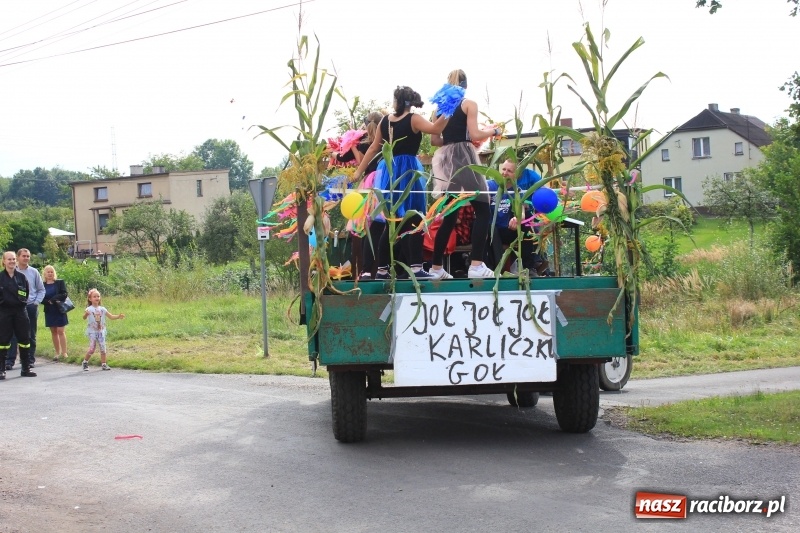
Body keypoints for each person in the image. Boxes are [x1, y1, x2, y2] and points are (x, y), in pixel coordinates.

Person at [351, 86, 448, 279]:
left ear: (397, 101)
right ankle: (415, 267)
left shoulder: (385, 121)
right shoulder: (413, 118)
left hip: (389, 170)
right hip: (408, 172)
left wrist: (358, 172)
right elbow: (436, 129)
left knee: (391, 220)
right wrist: (449, 109)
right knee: (414, 218)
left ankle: (382, 269)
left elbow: (372, 149)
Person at [428, 69, 499, 279]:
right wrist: (493, 131)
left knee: (450, 213)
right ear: (466, 84)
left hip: (447, 159)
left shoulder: (439, 109)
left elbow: (434, 141)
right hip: (465, 158)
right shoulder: (469, 104)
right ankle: (476, 264)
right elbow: (476, 134)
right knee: (483, 208)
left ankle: (436, 268)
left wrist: (451, 142)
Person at [337, 111, 387, 279]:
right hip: (384, 184)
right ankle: (382, 267)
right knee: (381, 227)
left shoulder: (365, 144)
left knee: (368, 226)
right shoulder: (385, 142)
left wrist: (351, 143)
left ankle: (366, 269)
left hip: (369, 185)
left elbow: (359, 162)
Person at [485, 162, 549, 276]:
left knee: (528, 223)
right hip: (493, 230)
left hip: (511, 229)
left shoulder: (518, 190)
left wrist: (518, 218)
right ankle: (494, 269)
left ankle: (528, 268)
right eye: (503, 169)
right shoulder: (489, 186)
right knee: (488, 227)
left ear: (516, 175)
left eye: (509, 171)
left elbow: (522, 210)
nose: (505, 173)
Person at [6, 248, 45, 370]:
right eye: (24, 256)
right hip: (14, 308)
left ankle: (29, 360)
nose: (26, 258)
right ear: (18, 257)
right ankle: (10, 360)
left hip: (30, 306)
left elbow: (41, 289)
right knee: (12, 334)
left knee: (30, 334)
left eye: (28, 256)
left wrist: (36, 302)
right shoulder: (11, 271)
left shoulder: (34, 272)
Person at [0, 251, 36, 379]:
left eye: (13, 259)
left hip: (20, 311)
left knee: (25, 340)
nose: (11, 261)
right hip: (4, 312)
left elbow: (25, 294)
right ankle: (1, 369)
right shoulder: (0, 277)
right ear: (4, 261)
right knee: (3, 341)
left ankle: (25, 368)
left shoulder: (21, 277)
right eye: (9, 259)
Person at [82, 288, 125, 371]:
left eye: (98, 296)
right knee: (92, 348)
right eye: (94, 296)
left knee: (103, 347)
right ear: (90, 299)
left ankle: (104, 364)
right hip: (92, 331)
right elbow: (84, 318)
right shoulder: (89, 309)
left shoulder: (102, 309)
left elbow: (111, 316)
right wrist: (86, 314)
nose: (97, 298)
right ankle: (85, 362)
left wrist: (118, 316)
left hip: (101, 331)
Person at [41, 265, 70, 361]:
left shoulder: (59, 283)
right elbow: (40, 296)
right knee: (53, 332)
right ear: (44, 273)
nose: (50, 273)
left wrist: (53, 299)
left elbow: (64, 294)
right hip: (49, 310)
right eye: (48, 272)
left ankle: (64, 352)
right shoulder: (42, 284)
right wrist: (47, 302)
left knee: (60, 331)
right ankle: (57, 352)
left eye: (51, 272)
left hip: (59, 309)